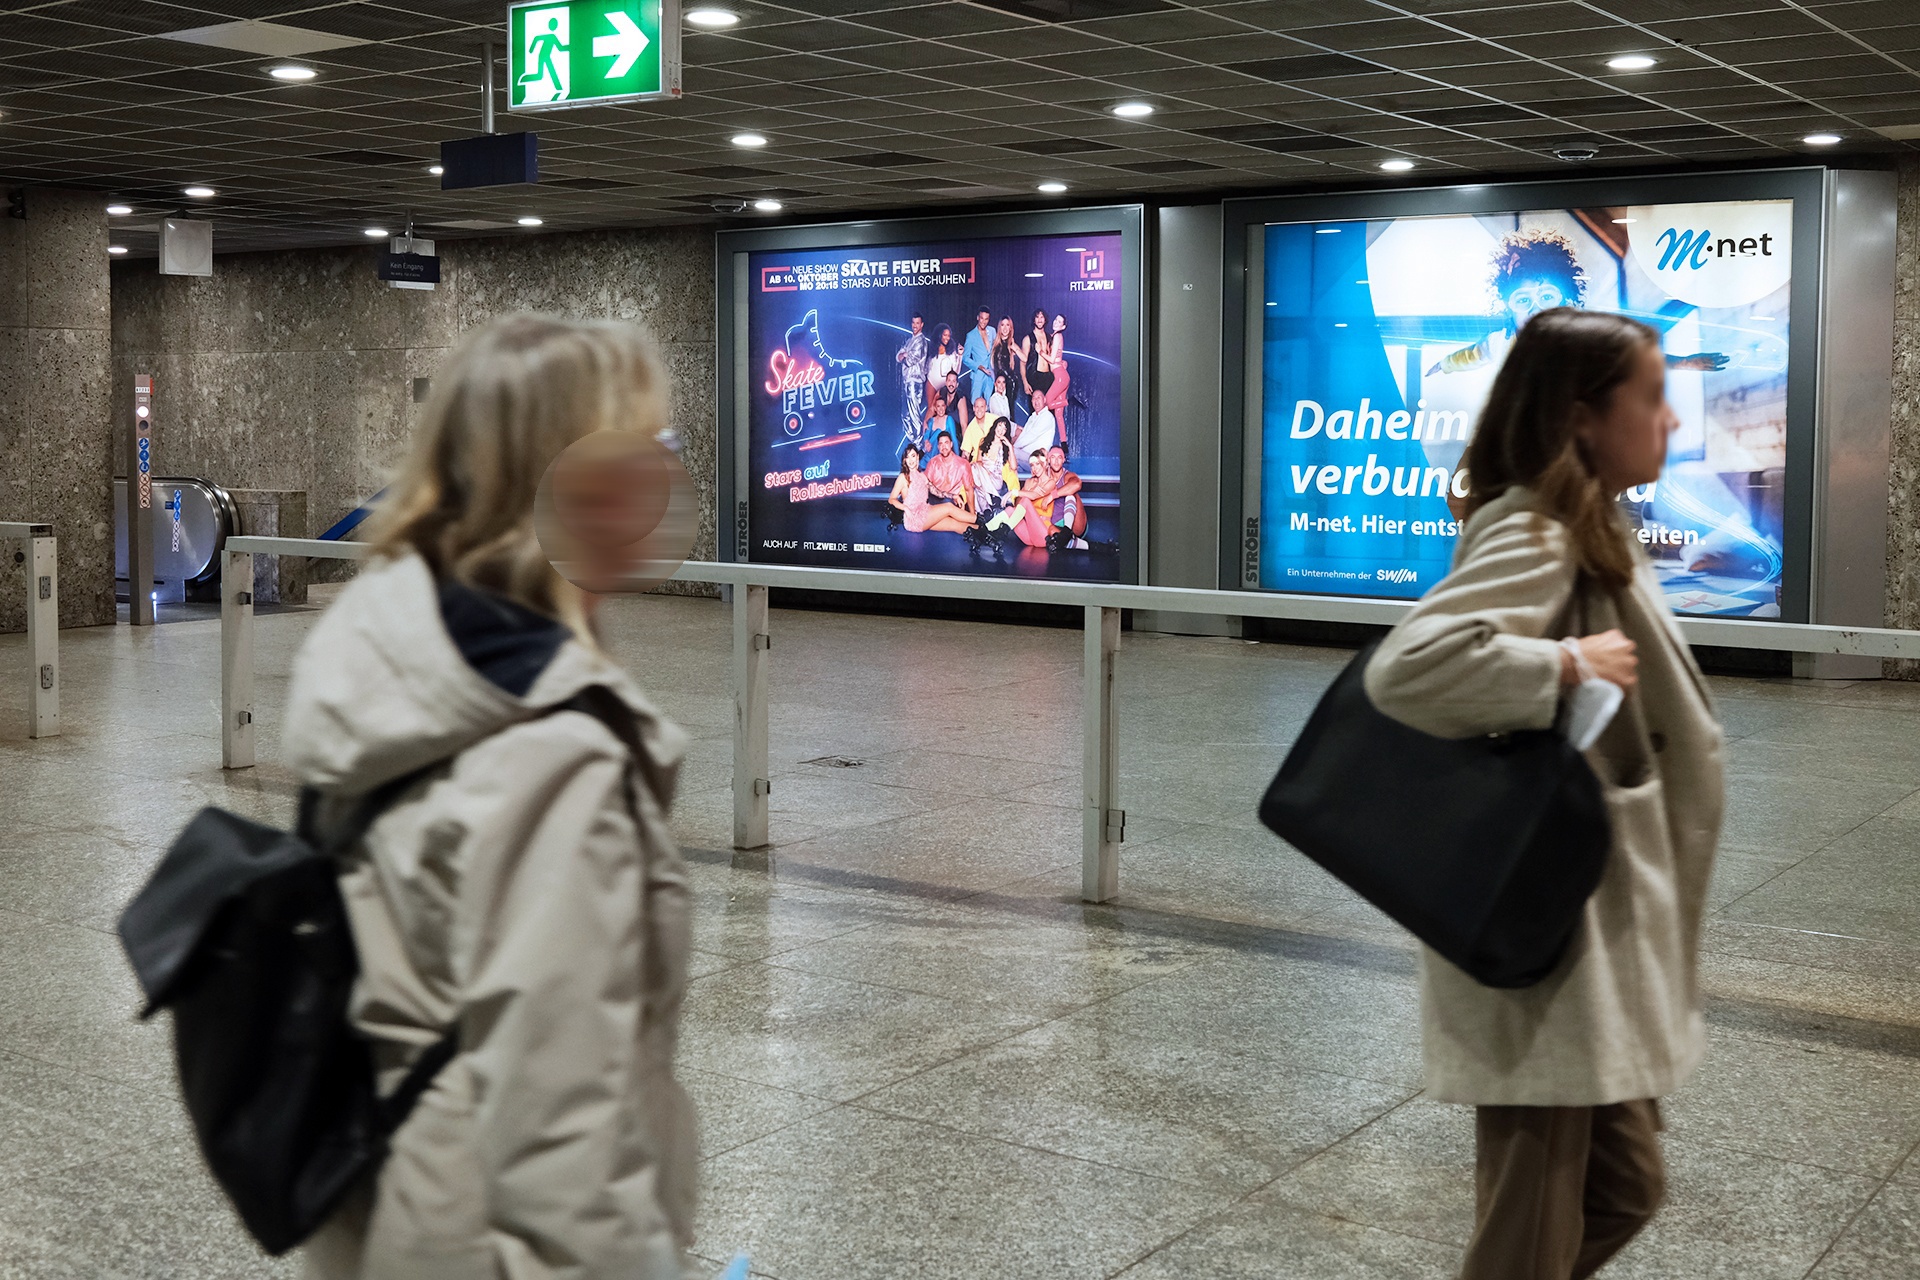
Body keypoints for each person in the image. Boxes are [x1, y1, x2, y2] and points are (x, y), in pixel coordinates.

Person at [288, 314, 701, 1278]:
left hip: (391, 1218)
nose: (668, 476)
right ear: (585, 487)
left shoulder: (406, 657)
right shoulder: (548, 756)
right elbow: (563, 1158)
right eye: (654, 448)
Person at [1363, 308, 1724, 1280]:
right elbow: (1409, 668)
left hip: (1595, 925)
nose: (1672, 419)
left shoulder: (1592, 523)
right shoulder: (1535, 529)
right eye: (1653, 397)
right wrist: (1562, 663)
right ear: (1580, 416)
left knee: (1622, 1188)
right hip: (1553, 929)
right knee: (1535, 1226)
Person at [1427, 229, 1726, 376]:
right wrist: (1443, 365)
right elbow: (1472, 355)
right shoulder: (1500, 343)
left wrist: (1683, 362)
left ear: (1566, 300)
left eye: (1546, 298)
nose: (1535, 309)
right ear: (1509, 307)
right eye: (1523, 300)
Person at [890, 442, 976, 535]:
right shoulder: (903, 477)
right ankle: (978, 519)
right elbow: (891, 499)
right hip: (914, 518)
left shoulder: (922, 476)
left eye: (913, 456)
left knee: (954, 525)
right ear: (905, 460)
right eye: (907, 457)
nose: (910, 460)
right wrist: (905, 508)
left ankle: (983, 531)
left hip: (927, 512)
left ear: (917, 457)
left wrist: (953, 496)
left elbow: (937, 492)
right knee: (949, 507)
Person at [1039, 443, 1088, 549]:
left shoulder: (1067, 475)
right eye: (1053, 457)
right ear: (1048, 460)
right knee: (1051, 531)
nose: (1056, 461)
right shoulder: (1043, 475)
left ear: (1063, 460)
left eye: (1059, 457)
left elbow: (1077, 484)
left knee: (1071, 493)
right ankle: (1089, 546)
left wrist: (1052, 496)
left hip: (1075, 524)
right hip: (1057, 525)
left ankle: (1067, 530)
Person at [970, 416, 1016, 520]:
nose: (1001, 429)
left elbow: (1013, 467)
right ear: (995, 426)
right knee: (974, 469)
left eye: (1004, 428)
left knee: (977, 484)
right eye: (1000, 425)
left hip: (996, 480)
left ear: (1006, 432)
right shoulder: (983, 441)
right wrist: (985, 472)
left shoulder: (1005, 446)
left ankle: (986, 507)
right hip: (983, 476)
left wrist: (1010, 446)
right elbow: (979, 461)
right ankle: (988, 508)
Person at [895, 314, 929, 440]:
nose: (915, 325)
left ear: (922, 325)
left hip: (915, 381)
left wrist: (905, 355)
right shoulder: (910, 340)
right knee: (905, 415)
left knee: (914, 415)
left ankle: (919, 444)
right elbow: (898, 357)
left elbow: (910, 360)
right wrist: (903, 355)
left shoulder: (921, 341)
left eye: (917, 323)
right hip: (907, 381)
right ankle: (913, 442)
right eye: (913, 323)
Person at [925, 430, 973, 513]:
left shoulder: (963, 464)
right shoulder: (932, 463)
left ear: (951, 444)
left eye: (946, 443)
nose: (943, 447)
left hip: (954, 502)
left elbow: (969, 491)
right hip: (936, 500)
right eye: (941, 444)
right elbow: (926, 486)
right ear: (938, 447)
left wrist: (972, 513)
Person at [1042, 314, 1071, 446]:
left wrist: (1040, 352)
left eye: (1059, 322)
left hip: (1060, 377)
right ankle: (1064, 445)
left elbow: (1052, 359)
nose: (1055, 322)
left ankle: (1070, 401)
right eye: (1055, 320)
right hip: (1062, 376)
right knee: (1059, 415)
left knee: (1046, 403)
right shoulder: (1054, 336)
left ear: (1063, 326)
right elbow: (1059, 356)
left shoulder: (1057, 336)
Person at [1013, 389, 1055, 471]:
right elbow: (1023, 435)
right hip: (1025, 456)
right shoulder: (1032, 417)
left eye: (1038, 398)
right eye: (1034, 398)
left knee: (1008, 451)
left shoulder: (1047, 416)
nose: (1036, 401)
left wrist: (1013, 447)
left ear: (1044, 400)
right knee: (1012, 466)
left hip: (1036, 458)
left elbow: (1031, 436)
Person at [962, 307, 995, 407]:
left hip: (991, 375)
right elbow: (965, 358)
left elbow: (996, 348)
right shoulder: (971, 335)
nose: (983, 322)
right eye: (982, 318)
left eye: (986, 319)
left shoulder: (992, 331)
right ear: (977, 318)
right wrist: (979, 367)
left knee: (990, 405)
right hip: (978, 375)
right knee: (975, 405)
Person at [925, 324, 959, 412]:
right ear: (939, 335)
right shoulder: (932, 349)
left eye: (949, 336)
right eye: (945, 335)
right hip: (931, 382)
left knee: (942, 410)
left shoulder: (951, 351)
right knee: (931, 409)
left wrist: (960, 356)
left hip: (944, 384)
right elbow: (927, 367)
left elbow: (956, 371)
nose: (947, 338)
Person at [991, 318, 1019, 418]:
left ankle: (1010, 428)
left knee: (1009, 411)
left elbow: (1024, 358)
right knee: (996, 411)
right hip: (999, 382)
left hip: (1010, 382)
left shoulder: (1011, 343)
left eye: (1008, 325)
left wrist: (1015, 349)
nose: (1005, 328)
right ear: (999, 327)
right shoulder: (995, 343)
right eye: (1003, 325)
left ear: (1011, 328)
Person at [959, 395, 993, 459]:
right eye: (977, 407)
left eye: (982, 407)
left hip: (995, 459)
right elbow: (966, 452)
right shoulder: (970, 428)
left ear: (986, 408)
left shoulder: (994, 419)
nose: (979, 410)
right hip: (978, 461)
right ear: (973, 408)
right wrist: (963, 461)